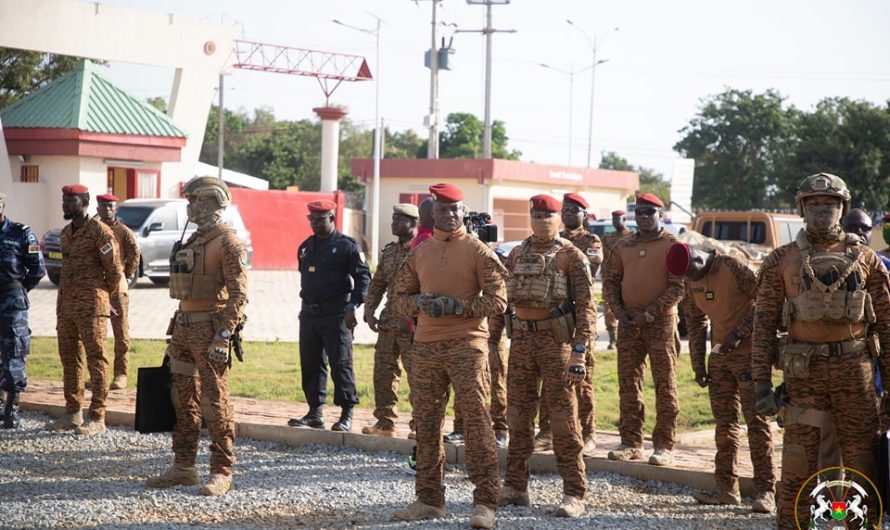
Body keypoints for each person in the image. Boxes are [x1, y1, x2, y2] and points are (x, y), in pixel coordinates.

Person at [753, 173, 890, 530]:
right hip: (804, 378)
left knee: (862, 464)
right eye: (813, 205)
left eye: (829, 204)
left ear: (842, 208)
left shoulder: (867, 260)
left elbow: (887, 328)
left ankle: (854, 524)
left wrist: (889, 387)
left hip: (856, 375)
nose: (821, 211)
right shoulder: (781, 261)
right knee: (799, 464)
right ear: (801, 209)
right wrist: (760, 386)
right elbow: (763, 326)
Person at [390, 183, 506, 529]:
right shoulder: (420, 252)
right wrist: (417, 304)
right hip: (425, 346)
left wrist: (459, 306)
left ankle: (485, 502)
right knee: (425, 423)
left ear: (464, 212)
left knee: (475, 422)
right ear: (433, 213)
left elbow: (499, 300)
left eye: (456, 209)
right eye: (443, 209)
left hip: (467, 345)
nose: (450, 214)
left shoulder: (478, 251)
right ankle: (429, 499)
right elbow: (400, 296)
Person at [145, 176, 248, 496]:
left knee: (215, 401)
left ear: (211, 202)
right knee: (182, 398)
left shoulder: (228, 242)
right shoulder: (195, 239)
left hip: (209, 330)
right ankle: (184, 466)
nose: (189, 206)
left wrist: (223, 335)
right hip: (184, 327)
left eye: (194, 200)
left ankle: (221, 470)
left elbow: (239, 295)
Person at [498, 194, 594, 518]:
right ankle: (515, 486)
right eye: (536, 214)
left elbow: (587, 310)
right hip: (523, 342)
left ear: (558, 218)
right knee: (518, 416)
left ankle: (574, 492)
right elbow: (503, 303)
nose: (541, 220)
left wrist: (579, 353)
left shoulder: (571, 256)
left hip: (557, 344)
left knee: (564, 420)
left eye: (547, 215)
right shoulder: (517, 253)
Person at [666, 243, 775, 513]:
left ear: (700, 258)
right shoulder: (690, 279)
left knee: (757, 424)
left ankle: (766, 490)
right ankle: (726, 488)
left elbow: (765, 302)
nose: (690, 281)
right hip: (720, 359)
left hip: (750, 356)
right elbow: (694, 322)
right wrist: (698, 364)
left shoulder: (734, 267)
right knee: (724, 426)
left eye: (692, 273)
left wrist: (738, 334)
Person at [602, 193, 684, 466]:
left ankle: (664, 445)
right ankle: (631, 442)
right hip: (628, 324)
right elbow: (610, 281)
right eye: (639, 212)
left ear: (661, 215)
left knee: (665, 383)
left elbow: (678, 286)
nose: (643, 217)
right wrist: (618, 311)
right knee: (628, 383)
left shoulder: (673, 245)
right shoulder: (624, 245)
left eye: (649, 212)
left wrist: (648, 314)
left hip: (660, 323)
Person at [44, 184, 123, 436]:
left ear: (85, 202)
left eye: (71, 201)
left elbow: (114, 271)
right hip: (67, 307)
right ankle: (73, 412)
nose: (65, 205)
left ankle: (98, 416)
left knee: (96, 360)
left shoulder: (100, 232)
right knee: (69, 359)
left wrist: (102, 296)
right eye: (64, 200)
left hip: (91, 307)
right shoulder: (66, 233)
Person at [289, 199, 370, 432]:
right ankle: (315, 412)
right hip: (309, 314)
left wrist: (353, 305)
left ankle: (347, 412)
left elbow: (364, 278)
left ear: (332, 218)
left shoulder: (347, 246)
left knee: (340, 363)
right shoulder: (306, 247)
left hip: (336, 313)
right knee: (311, 362)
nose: (314, 223)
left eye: (320, 219)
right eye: (311, 219)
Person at [534, 193, 600, 456]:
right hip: (554, 316)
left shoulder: (590, 241)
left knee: (582, 379)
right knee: (551, 377)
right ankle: (547, 431)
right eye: (566, 210)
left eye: (575, 211)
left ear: (584, 214)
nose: (570, 214)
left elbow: (589, 273)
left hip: (579, 314)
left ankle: (588, 432)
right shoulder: (552, 239)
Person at [362, 204, 419, 438]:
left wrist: (414, 318)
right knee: (383, 375)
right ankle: (385, 423)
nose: (393, 223)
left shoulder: (422, 251)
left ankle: (420, 425)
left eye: (399, 220)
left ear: (414, 223)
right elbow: (377, 284)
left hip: (413, 326)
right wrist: (369, 310)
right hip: (388, 324)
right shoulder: (390, 251)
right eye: (393, 218)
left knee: (418, 377)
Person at [0, 192, 46, 429]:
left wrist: (18, 289)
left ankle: (12, 408)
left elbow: (37, 269)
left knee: (13, 355)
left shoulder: (20, 233)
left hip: (11, 302)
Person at [96, 193, 141, 390]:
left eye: (110, 207)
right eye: (103, 206)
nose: (107, 210)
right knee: (96, 335)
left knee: (120, 333)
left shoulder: (123, 232)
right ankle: (100, 376)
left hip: (117, 290)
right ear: (97, 208)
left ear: (116, 210)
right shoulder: (93, 230)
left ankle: (121, 374)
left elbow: (134, 255)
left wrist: (124, 274)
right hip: (96, 290)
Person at [600, 210, 632, 350]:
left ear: (624, 218)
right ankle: (612, 340)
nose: (614, 221)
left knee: (629, 308)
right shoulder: (607, 238)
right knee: (609, 310)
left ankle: (628, 339)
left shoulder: (632, 237)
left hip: (628, 279)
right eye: (613, 218)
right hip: (610, 280)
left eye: (617, 218)